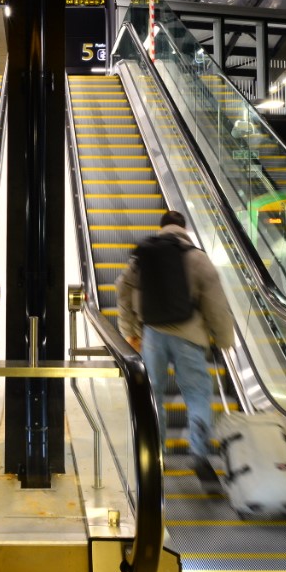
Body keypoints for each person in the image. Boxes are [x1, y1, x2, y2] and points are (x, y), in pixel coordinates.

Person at [116, 210, 234, 491]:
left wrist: (129, 330)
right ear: (184, 229)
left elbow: (122, 288)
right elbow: (216, 305)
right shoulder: (198, 258)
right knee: (197, 395)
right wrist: (224, 340)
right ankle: (199, 454)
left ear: (161, 228)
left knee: (153, 395)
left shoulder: (143, 256)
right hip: (189, 335)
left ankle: (156, 455)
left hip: (153, 335)